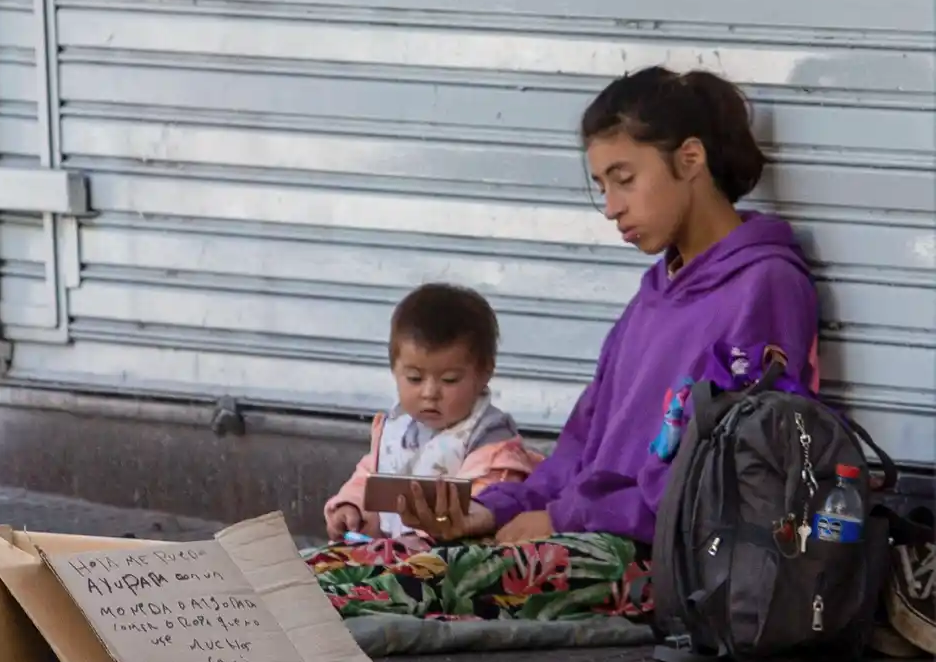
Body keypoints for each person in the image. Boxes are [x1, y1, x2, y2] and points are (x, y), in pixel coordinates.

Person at [308, 67, 819, 624]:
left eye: (624, 178)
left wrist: (560, 520)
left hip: (663, 562)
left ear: (690, 159)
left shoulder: (764, 287)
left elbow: (720, 482)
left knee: (397, 588)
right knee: (334, 565)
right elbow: (578, 450)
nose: (611, 207)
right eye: (603, 186)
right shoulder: (651, 299)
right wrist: (488, 511)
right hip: (580, 533)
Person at [322, 283, 542, 542]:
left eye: (449, 380)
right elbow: (369, 478)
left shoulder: (491, 443)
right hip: (386, 554)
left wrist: (427, 536)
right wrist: (351, 509)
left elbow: (484, 505)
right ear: (394, 369)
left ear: (484, 373)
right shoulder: (397, 427)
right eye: (414, 378)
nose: (430, 393)